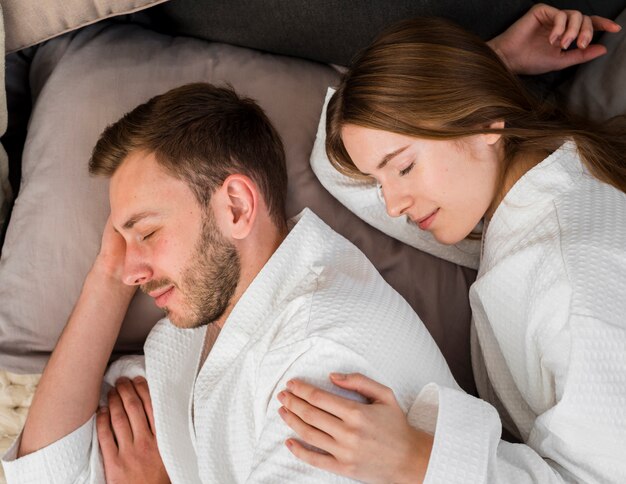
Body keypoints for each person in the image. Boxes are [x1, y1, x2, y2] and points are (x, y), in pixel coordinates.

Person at [1, 82, 459, 483]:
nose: (132, 268)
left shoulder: (319, 355)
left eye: (148, 232)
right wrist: (107, 276)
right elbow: (45, 472)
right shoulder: (195, 334)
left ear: (236, 207)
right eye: (124, 241)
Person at [277, 6, 626, 484]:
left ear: (485, 123)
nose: (393, 204)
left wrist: (417, 461)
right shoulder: (530, 184)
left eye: (402, 168)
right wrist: (490, 63)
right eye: (380, 181)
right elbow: (334, 161)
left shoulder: (568, 286)